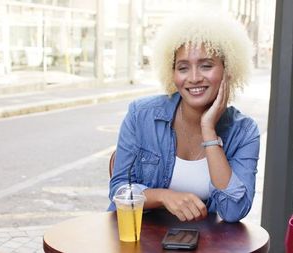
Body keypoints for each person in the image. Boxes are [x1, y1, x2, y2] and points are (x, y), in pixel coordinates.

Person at [108, 12, 260, 223]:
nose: (194, 78)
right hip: (139, 238)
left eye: (206, 65)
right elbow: (119, 191)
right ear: (172, 74)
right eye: (183, 68)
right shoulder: (141, 115)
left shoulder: (244, 132)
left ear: (228, 70)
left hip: (203, 242)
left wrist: (209, 130)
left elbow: (234, 210)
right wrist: (163, 197)